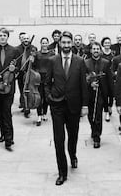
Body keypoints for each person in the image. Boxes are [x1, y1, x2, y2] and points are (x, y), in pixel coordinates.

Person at [44, 31, 88, 186]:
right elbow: (46, 82)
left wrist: (84, 105)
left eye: (69, 42)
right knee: (58, 140)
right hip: (57, 105)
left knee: (73, 136)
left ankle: (73, 155)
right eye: (64, 42)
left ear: (72, 44)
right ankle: (62, 173)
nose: (66, 45)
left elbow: (84, 84)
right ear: (59, 44)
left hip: (74, 106)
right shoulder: (52, 60)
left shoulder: (80, 61)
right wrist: (49, 98)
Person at [0, 27, 20, 151]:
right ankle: (2, 133)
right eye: (0, 35)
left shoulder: (14, 51)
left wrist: (14, 70)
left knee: (6, 112)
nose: (2, 37)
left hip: (9, 86)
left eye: (4, 36)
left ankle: (9, 139)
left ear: (8, 37)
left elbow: (18, 69)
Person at [85, 42, 113, 148]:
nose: (96, 50)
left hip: (101, 93)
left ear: (100, 50)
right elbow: (83, 77)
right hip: (89, 93)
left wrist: (111, 97)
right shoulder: (86, 62)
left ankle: (97, 137)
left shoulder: (106, 62)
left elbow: (109, 79)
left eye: (97, 49)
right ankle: (93, 129)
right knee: (90, 114)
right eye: (94, 49)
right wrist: (90, 83)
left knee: (98, 115)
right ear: (91, 50)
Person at [31, 37, 54, 126]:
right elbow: (33, 65)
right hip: (38, 78)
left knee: (46, 97)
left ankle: (44, 113)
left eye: (46, 43)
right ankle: (39, 115)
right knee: (39, 97)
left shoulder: (52, 54)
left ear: (48, 44)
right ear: (40, 44)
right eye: (43, 43)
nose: (44, 44)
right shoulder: (36, 54)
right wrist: (31, 59)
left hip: (48, 77)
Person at [16, 33, 37, 117]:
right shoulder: (17, 49)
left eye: (27, 38)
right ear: (21, 40)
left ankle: (27, 108)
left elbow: (36, 60)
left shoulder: (33, 48)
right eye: (24, 38)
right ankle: (24, 105)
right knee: (22, 90)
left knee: (28, 90)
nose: (26, 40)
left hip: (29, 72)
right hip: (20, 73)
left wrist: (33, 58)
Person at [101, 36, 114, 121]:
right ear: (103, 44)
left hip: (112, 77)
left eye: (108, 43)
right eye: (105, 43)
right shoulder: (101, 54)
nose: (107, 44)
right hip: (103, 77)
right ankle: (106, 112)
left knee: (112, 94)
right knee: (105, 94)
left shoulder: (113, 53)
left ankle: (110, 106)